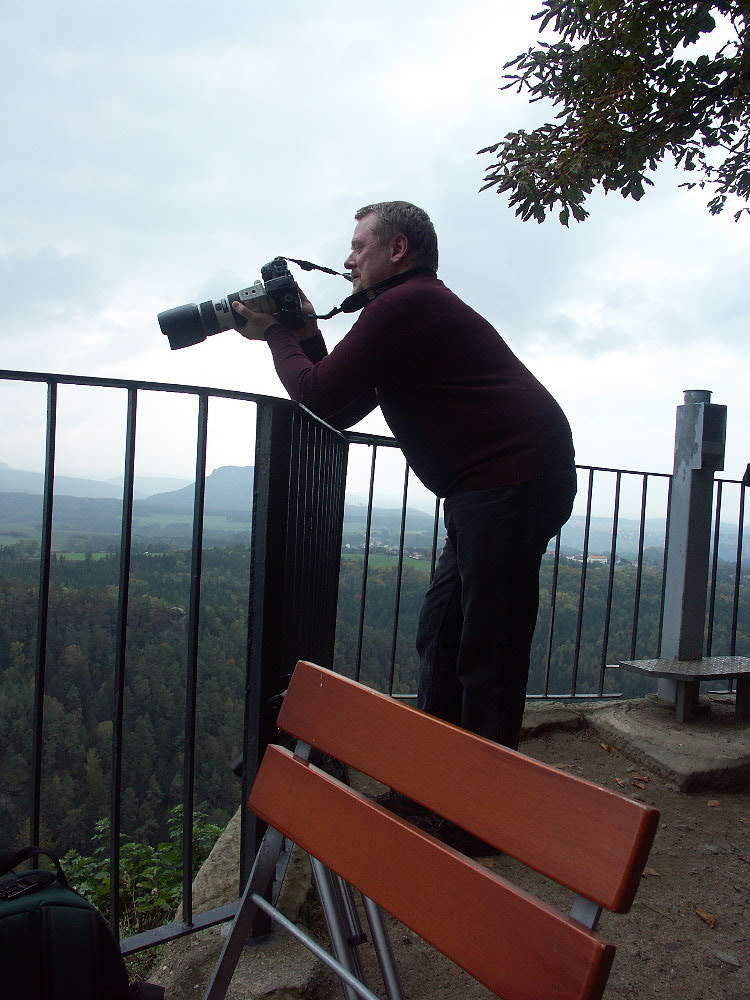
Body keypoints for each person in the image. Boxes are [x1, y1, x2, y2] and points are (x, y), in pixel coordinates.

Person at [232, 202, 576, 844]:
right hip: (498, 482)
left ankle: (482, 815)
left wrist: (277, 333)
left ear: (398, 249)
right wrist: (305, 330)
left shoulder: (405, 304)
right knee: (443, 637)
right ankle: (433, 789)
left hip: (512, 480)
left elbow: (320, 397)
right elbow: (344, 400)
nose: (347, 258)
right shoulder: (404, 309)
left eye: (359, 244)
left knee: (487, 650)